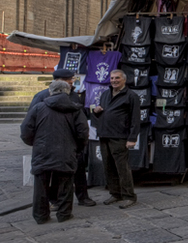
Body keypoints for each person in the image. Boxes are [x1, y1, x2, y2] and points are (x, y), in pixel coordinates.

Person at [21, 80, 89, 223]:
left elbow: (26, 130)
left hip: (42, 150)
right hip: (67, 151)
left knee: (41, 185)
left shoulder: (38, 108)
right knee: (66, 184)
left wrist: (35, 144)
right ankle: (64, 214)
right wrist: (77, 148)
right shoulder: (75, 109)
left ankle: (40, 216)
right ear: (67, 91)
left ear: (50, 91)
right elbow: (83, 133)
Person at [28, 68, 96, 207]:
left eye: (72, 79)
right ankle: (55, 200)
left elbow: (81, 119)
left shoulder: (73, 96)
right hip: (51, 143)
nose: (72, 82)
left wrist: (80, 141)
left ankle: (82, 196)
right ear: (58, 81)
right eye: (69, 80)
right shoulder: (41, 96)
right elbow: (30, 122)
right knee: (54, 174)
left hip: (73, 142)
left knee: (79, 170)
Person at [91, 69, 140, 209]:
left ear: (124, 79)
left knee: (122, 168)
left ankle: (129, 196)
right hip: (104, 135)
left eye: (117, 78)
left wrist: (132, 138)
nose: (114, 80)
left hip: (119, 137)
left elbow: (135, 119)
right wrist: (96, 112)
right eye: (112, 78)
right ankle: (115, 193)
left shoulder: (131, 96)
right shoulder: (106, 94)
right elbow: (100, 115)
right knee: (108, 166)